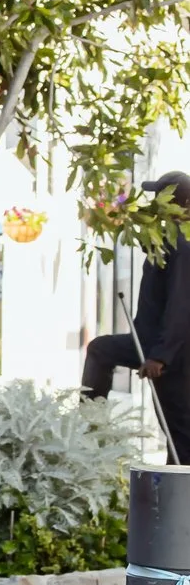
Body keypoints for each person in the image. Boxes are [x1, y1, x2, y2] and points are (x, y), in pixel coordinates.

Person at [82, 170, 190, 460]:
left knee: (180, 436)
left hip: (172, 355)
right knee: (100, 350)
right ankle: (89, 430)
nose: (156, 203)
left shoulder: (184, 248)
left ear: (185, 205)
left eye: (164, 197)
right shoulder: (168, 240)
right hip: (147, 340)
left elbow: (182, 307)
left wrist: (161, 356)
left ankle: (178, 499)